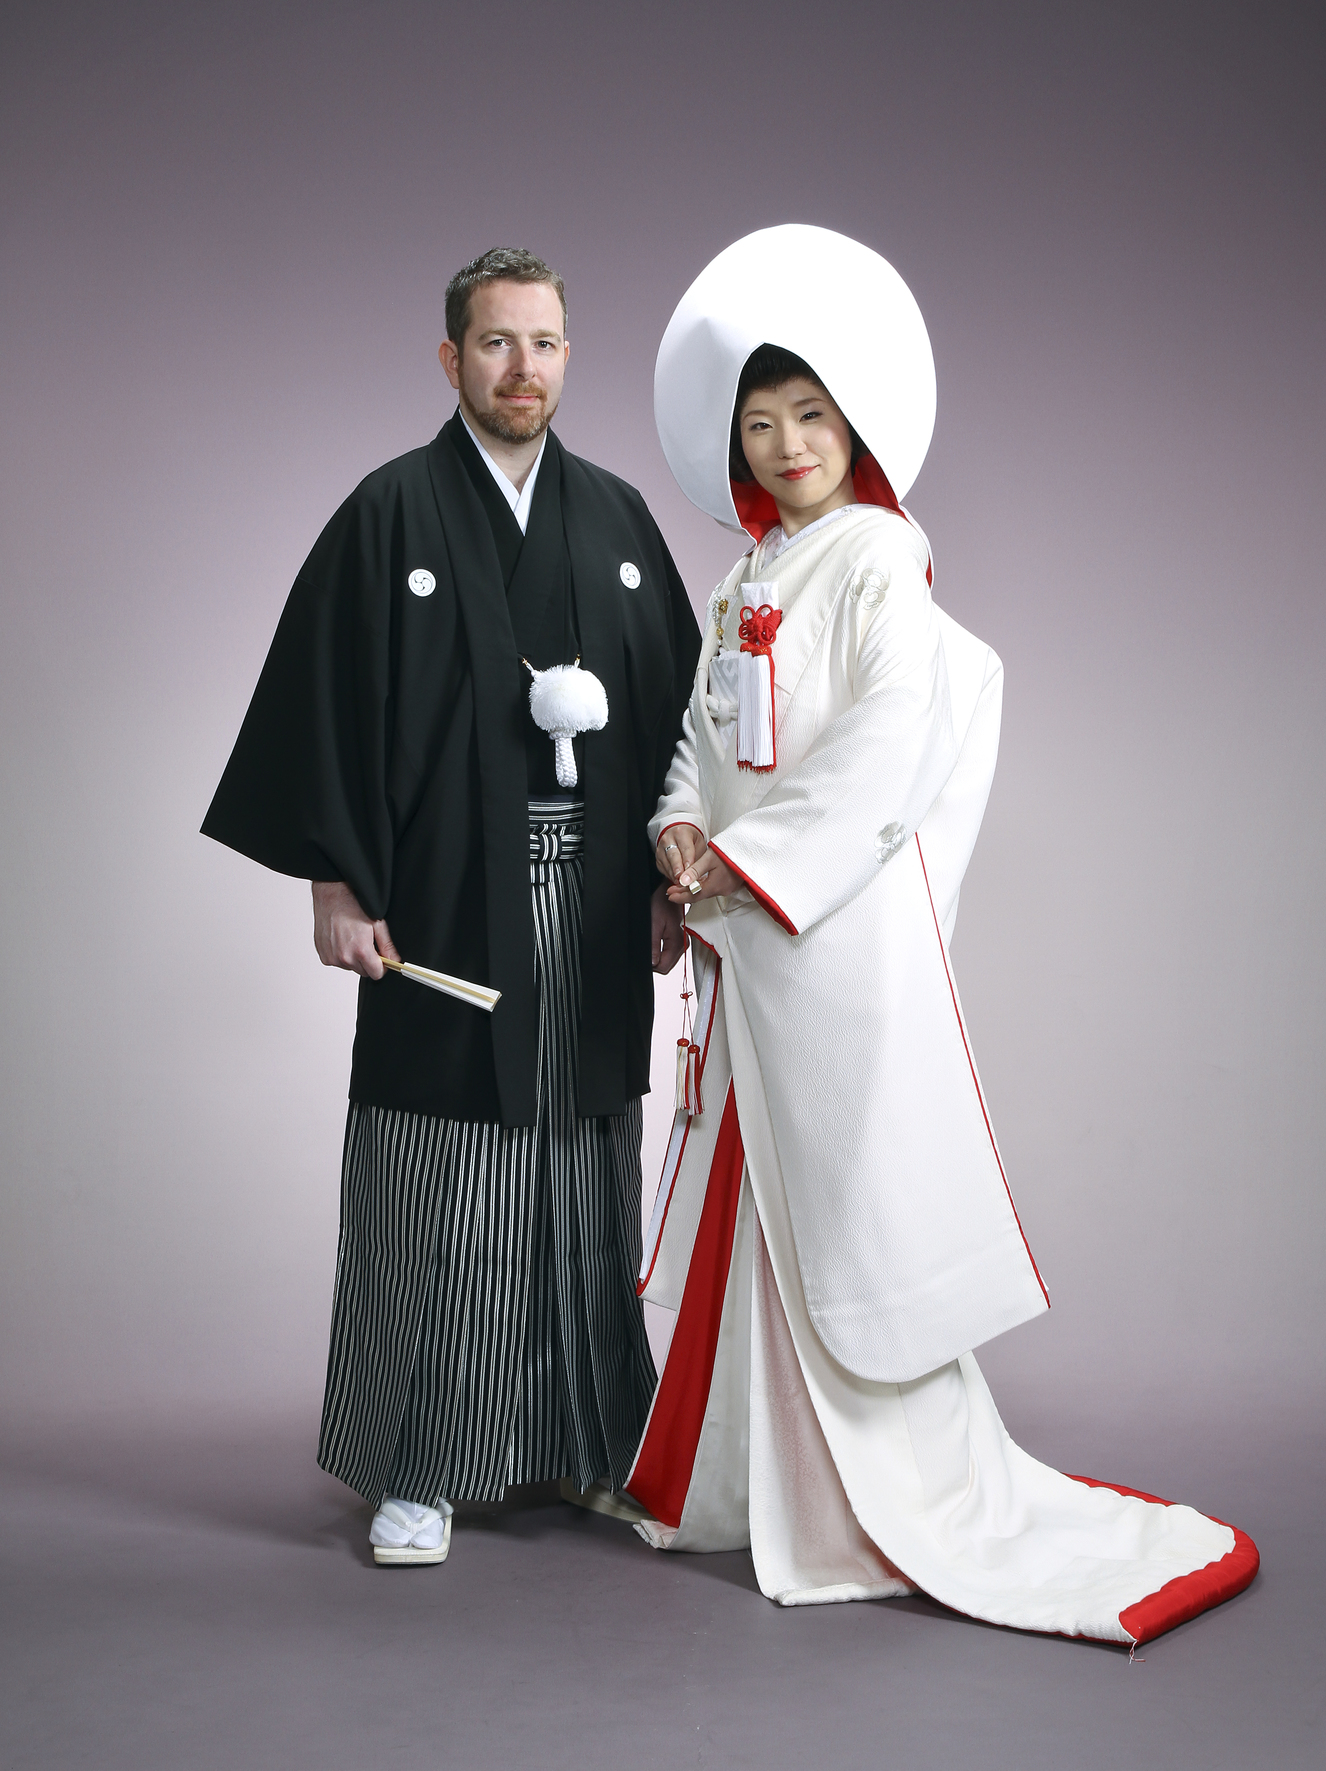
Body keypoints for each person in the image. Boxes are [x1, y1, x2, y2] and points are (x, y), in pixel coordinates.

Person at [625, 225, 1258, 1646]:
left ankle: (865, 1507)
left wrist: (739, 863)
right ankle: (745, 1485)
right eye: (761, 424)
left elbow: (883, 750)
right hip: (748, 934)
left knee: (845, 1212)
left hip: (825, 940)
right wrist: (678, 826)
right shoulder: (742, 579)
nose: (788, 445)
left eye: (810, 416)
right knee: (753, 1203)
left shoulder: (879, 556)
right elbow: (698, 740)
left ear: (853, 425)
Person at [203, 247, 699, 1566]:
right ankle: (417, 1466)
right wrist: (335, 878)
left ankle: (594, 1447)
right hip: (441, 906)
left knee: (584, 1171)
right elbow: (322, 704)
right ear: (450, 359)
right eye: (494, 343)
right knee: (442, 1174)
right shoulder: (390, 513)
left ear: (568, 356)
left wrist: (667, 881)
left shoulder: (615, 519)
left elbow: (679, 715)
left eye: (543, 343)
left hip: (593, 901)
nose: (521, 369)